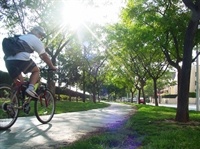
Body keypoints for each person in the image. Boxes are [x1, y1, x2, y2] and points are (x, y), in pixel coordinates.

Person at [4, 26, 57, 98]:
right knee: (36, 71)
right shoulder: (34, 39)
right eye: (40, 34)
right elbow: (44, 56)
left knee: (20, 83)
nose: (40, 36)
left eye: (41, 35)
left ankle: (13, 104)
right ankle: (31, 88)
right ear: (34, 31)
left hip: (8, 61)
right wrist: (52, 66)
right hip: (21, 60)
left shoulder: (21, 37)